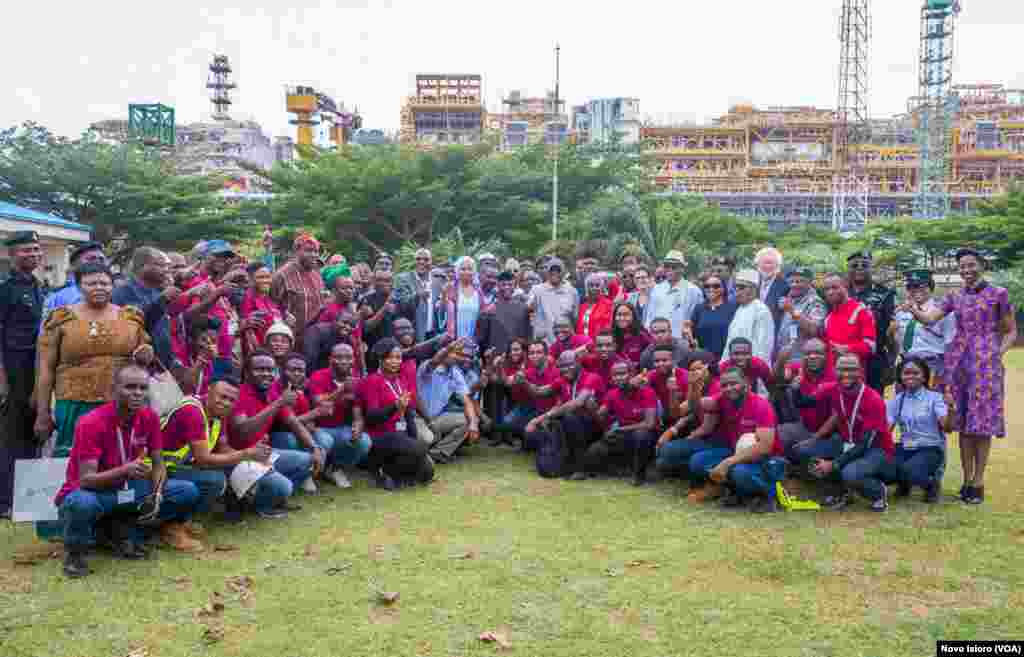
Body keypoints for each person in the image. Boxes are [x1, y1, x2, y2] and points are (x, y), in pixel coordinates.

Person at [56, 365, 202, 578]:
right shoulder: (91, 423)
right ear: (114, 389)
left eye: (143, 388)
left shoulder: (149, 418)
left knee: (186, 491)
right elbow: (86, 480)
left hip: (128, 489)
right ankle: (76, 553)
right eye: (130, 387)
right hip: (94, 493)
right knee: (81, 504)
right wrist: (125, 470)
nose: (137, 393)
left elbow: (158, 464)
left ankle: (123, 533)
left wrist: (158, 493)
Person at [907, 248, 1016, 505]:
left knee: (983, 423)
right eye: (962, 267)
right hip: (958, 363)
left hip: (986, 365)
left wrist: (996, 353)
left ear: (982, 265)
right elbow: (930, 319)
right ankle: (966, 480)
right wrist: (913, 309)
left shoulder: (998, 294)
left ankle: (978, 481)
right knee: (964, 422)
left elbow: (1011, 331)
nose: (966, 270)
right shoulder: (954, 296)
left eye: (971, 265)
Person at [36, 263, 154, 461]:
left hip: (120, 402)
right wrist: (43, 413)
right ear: (79, 286)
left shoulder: (131, 318)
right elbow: (45, 370)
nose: (99, 287)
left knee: (118, 457)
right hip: (73, 402)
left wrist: (145, 355)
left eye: (104, 283)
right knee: (75, 459)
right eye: (91, 283)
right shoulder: (61, 319)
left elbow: (144, 360)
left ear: (112, 286)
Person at [160, 370, 277, 518]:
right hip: (157, 468)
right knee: (214, 480)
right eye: (222, 397)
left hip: (178, 466)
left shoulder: (218, 413)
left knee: (226, 476)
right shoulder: (193, 411)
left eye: (231, 400)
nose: (226, 403)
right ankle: (181, 523)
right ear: (208, 390)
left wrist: (254, 459)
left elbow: (222, 448)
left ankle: (191, 519)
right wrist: (246, 454)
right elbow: (204, 460)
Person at [795, 354, 894, 512]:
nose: (846, 374)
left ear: (861, 371)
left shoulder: (873, 400)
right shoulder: (832, 389)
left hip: (875, 449)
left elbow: (864, 444)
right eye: (842, 369)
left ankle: (878, 492)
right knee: (803, 451)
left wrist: (833, 464)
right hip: (847, 442)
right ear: (835, 370)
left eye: (851, 369)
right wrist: (795, 388)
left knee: (850, 473)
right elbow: (803, 403)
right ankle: (840, 491)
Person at [680, 367, 785, 512]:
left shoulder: (761, 405)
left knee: (739, 472)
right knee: (697, 461)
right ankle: (731, 490)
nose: (729, 388)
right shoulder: (722, 399)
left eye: (733, 383)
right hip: (736, 452)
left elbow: (765, 447)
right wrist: (693, 386)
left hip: (765, 459)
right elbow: (694, 406)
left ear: (745, 382)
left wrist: (727, 463)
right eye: (724, 385)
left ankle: (768, 495)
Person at [227, 351, 317, 512]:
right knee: (284, 487)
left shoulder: (271, 393)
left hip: (263, 454)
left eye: (270, 370)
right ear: (246, 372)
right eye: (260, 369)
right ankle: (249, 503)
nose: (266, 374)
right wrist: (278, 403)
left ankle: (271, 497)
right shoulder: (237, 394)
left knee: (308, 459)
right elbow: (242, 432)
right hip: (239, 456)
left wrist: (314, 447)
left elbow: (292, 422)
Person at [0, 232, 44, 518]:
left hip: (36, 370)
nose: (33, 254)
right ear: (12, 255)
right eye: (26, 250)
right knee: (10, 436)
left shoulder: (40, 286)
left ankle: (26, 500)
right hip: (12, 371)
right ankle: (4, 501)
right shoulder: (5, 289)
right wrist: (1, 379)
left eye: (36, 249)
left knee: (32, 434)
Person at [359, 338, 434, 489]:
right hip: (380, 437)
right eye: (390, 358)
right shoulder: (372, 381)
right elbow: (371, 417)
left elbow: (408, 414)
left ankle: (394, 474)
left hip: (400, 436)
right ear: (381, 359)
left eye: (398, 358)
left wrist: (413, 439)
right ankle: (381, 472)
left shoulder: (401, 380)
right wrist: (395, 406)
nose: (395, 362)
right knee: (419, 449)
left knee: (427, 471)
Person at [879, 357, 956, 503]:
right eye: (906, 373)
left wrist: (951, 409)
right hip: (905, 447)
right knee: (883, 468)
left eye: (916, 373)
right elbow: (886, 429)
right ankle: (904, 481)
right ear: (900, 377)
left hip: (930, 449)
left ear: (924, 376)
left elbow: (948, 428)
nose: (911, 376)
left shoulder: (935, 398)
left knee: (909, 470)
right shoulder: (897, 400)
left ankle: (931, 485)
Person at [525, 350, 606, 479]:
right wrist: (524, 381)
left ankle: (580, 468)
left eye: (569, 364)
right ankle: (557, 463)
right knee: (549, 425)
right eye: (562, 366)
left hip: (595, 426)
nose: (565, 369)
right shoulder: (563, 380)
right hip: (573, 424)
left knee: (567, 417)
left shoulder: (592, 378)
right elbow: (540, 392)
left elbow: (577, 403)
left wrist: (544, 417)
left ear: (578, 363)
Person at [306, 343, 373, 488]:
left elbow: (358, 409)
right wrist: (342, 390)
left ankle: (335, 469)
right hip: (318, 428)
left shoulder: (357, 380)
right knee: (325, 440)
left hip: (343, 428)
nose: (344, 361)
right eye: (339, 357)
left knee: (364, 441)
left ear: (354, 360)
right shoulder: (318, 376)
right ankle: (308, 474)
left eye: (348, 357)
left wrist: (358, 425)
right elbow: (319, 403)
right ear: (330, 359)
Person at [112, 247, 183, 374]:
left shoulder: (156, 292)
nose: (166, 270)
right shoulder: (124, 292)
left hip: (162, 368)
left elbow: (163, 331)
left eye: (166, 266)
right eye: (159, 265)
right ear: (142, 267)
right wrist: (163, 300)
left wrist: (172, 360)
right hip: (139, 369)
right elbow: (137, 324)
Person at [586, 360, 659, 485]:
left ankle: (639, 475)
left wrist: (619, 429)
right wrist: (592, 408)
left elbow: (649, 424)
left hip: (647, 435)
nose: (618, 378)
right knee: (594, 451)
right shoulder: (612, 394)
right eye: (615, 375)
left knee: (641, 435)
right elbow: (600, 416)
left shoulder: (646, 392)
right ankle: (615, 468)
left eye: (622, 374)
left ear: (631, 374)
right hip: (624, 434)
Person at [416, 338, 483, 464]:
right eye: (455, 353)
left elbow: (467, 401)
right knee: (426, 438)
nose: (459, 358)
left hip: (438, 417)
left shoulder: (455, 372)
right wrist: (448, 348)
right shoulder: (427, 367)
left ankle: (437, 453)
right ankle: (422, 451)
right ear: (443, 351)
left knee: (470, 419)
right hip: (420, 418)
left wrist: (473, 424)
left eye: (459, 354)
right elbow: (435, 361)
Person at [890, 269, 955, 390]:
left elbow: (950, 344)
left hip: (933, 367)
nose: (916, 290)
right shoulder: (901, 313)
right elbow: (898, 343)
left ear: (931, 287)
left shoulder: (942, 312)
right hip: (906, 367)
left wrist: (946, 376)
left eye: (922, 286)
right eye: (911, 287)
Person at [773, 338, 837, 460]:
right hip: (804, 427)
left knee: (802, 452)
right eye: (808, 353)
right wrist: (781, 360)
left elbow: (836, 416)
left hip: (830, 435)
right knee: (776, 436)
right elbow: (777, 378)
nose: (812, 356)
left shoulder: (834, 376)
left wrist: (814, 438)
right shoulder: (798, 368)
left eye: (818, 353)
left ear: (826, 355)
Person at [846, 252, 896, 393]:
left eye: (865, 265)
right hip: (845, 359)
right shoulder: (840, 292)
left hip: (874, 360)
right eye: (854, 265)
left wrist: (891, 363)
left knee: (872, 403)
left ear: (871, 269)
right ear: (848, 270)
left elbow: (892, 332)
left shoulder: (885, 294)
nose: (859, 268)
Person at [271, 234, 325, 352]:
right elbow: (271, 305)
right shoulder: (282, 275)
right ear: (296, 251)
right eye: (309, 251)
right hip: (290, 340)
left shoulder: (317, 274)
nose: (314, 255)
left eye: (316, 251)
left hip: (314, 339)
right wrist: (283, 316)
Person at [40, 240, 106, 327]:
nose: (97, 262)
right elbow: (45, 333)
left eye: (101, 259)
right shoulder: (57, 297)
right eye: (91, 258)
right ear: (74, 265)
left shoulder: (113, 292)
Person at [821, 273, 877, 372]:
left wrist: (846, 348)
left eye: (835, 287)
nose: (830, 292)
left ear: (845, 285)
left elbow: (871, 347)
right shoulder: (828, 318)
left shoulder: (861, 311)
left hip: (854, 375)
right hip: (832, 378)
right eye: (826, 289)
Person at [776, 267, 828, 366]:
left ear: (809, 283)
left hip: (803, 361)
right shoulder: (790, 298)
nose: (794, 285)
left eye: (800, 281)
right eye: (792, 281)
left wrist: (793, 311)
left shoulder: (815, 302)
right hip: (785, 359)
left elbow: (814, 330)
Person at [358, 269, 414, 357]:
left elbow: (408, 328)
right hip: (374, 351)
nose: (383, 283)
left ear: (392, 282)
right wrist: (384, 310)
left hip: (397, 353)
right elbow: (365, 328)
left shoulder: (401, 300)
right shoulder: (366, 300)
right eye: (379, 280)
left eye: (387, 280)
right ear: (373, 281)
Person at [649, 250, 704, 340]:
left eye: (674, 267)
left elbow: (697, 319)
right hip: (657, 340)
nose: (669, 269)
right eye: (667, 266)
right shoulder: (657, 289)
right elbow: (650, 316)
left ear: (682, 269)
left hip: (681, 341)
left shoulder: (693, 291)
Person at [724, 270, 775, 365]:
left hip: (752, 369)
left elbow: (763, 348)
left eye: (742, 287)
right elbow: (730, 342)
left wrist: (754, 371)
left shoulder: (761, 310)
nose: (737, 291)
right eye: (736, 287)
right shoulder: (740, 309)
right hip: (735, 368)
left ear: (754, 289)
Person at [476, 271, 531, 357]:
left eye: (510, 285)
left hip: (518, 359)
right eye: (503, 285)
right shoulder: (488, 311)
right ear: (498, 286)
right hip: (495, 358)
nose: (507, 287)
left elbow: (527, 336)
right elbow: (482, 341)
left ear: (514, 286)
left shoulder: (523, 308)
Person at [395, 248, 443, 342]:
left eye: (426, 259)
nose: (422, 262)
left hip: (433, 336)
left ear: (431, 262)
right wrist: (417, 296)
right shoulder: (403, 279)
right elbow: (402, 305)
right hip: (411, 337)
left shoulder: (437, 282)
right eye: (418, 259)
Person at [529, 258, 579, 345]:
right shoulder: (537, 290)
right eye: (552, 270)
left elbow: (575, 318)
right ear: (547, 272)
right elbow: (529, 309)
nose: (555, 273)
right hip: (544, 342)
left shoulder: (572, 291)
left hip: (565, 341)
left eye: (558, 270)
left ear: (563, 272)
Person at [689, 273, 738, 360]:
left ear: (723, 288)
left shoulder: (733, 308)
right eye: (707, 286)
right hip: (703, 358)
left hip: (726, 357)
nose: (711, 289)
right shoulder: (699, 308)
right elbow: (691, 334)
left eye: (716, 286)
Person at [240, 261, 285, 351]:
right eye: (261, 277)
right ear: (250, 279)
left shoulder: (269, 300)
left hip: (275, 350)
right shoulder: (246, 299)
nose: (266, 281)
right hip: (259, 353)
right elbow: (247, 331)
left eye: (268, 277)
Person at [303, 311, 365, 376]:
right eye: (344, 322)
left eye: (352, 326)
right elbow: (310, 359)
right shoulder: (317, 331)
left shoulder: (348, 340)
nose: (348, 327)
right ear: (335, 321)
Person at [445, 256, 488, 341]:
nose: (466, 272)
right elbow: (442, 311)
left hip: (473, 339)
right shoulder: (452, 288)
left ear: (474, 272)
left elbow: (483, 313)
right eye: (463, 269)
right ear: (457, 271)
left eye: (470, 269)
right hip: (455, 339)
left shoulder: (478, 291)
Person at [181, 316, 219, 397]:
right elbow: (184, 390)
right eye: (203, 340)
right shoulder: (179, 357)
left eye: (213, 341)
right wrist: (201, 360)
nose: (209, 346)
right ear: (191, 340)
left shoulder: (211, 363)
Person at [755, 247, 790, 330]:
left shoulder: (785, 286)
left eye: (770, 263)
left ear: (778, 265)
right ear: (757, 265)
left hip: (773, 330)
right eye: (764, 263)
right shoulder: (753, 283)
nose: (767, 266)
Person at [576, 273, 613, 339]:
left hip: (599, 344)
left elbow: (608, 327)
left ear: (601, 288)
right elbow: (579, 327)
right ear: (587, 288)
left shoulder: (608, 304)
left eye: (597, 285)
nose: (594, 288)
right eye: (591, 285)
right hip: (582, 344)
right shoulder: (582, 306)